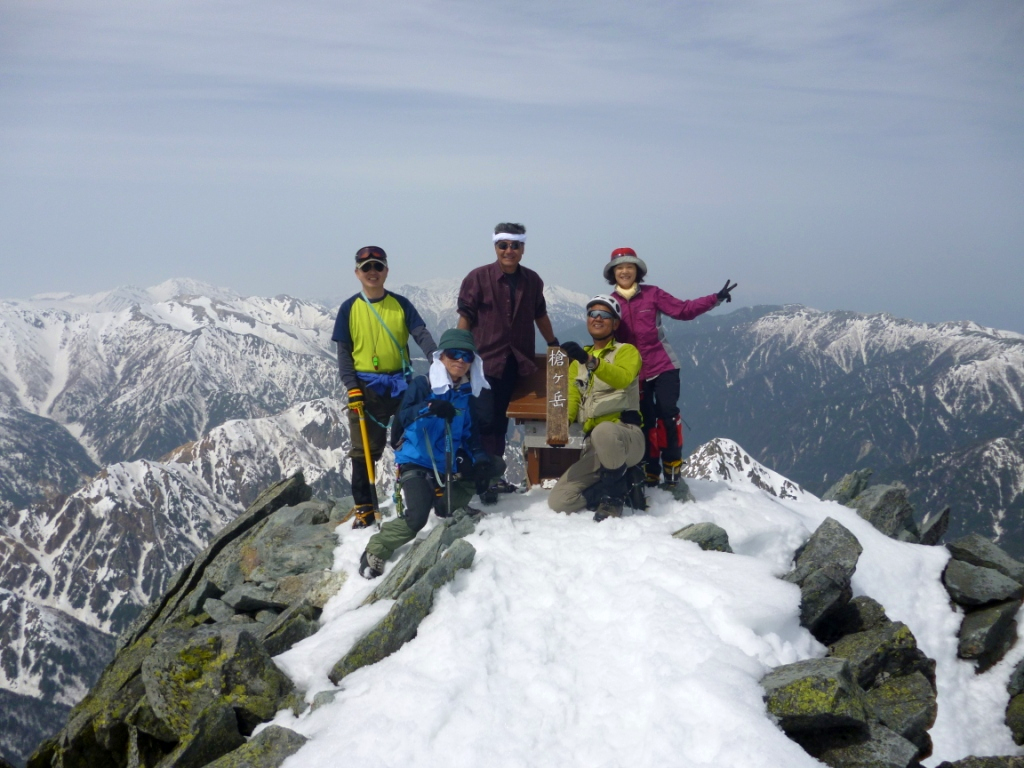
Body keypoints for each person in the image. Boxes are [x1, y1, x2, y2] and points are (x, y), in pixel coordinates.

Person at [359, 329, 504, 579]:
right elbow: (402, 419)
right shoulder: (423, 385)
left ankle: (447, 504)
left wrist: (478, 457)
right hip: (416, 462)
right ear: (441, 357)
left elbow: (470, 433)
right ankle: (377, 548)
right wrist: (429, 406)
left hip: (445, 462)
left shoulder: (466, 393)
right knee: (416, 519)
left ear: (472, 361)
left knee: (493, 467)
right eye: (453, 354)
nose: (459, 360)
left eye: (466, 356)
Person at [603, 247, 737, 487]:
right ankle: (650, 469)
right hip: (633, 373)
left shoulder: (653, 294)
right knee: (644, 420)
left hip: (663, 364)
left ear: (637, 270)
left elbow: (683, 310)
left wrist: (714, 299)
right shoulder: (609, 303)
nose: (625, 271)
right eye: (620, 268)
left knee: (668, 413)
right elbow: (602, 333)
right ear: (613, 273)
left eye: (629, 266)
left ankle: (672, 463)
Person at [332, 246, 437, 529]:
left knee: (414, 440)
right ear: (357, 273)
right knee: (364, 450)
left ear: (386, 271)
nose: (372, 272)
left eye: (377, 266)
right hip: (366, 389)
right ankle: (364, 508)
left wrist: (436, 361)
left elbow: (421, 335)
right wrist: (352, 387)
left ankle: (426, 493)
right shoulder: (349, 309)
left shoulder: (401, 305)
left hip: (401, 385)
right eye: (366, 268)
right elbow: (344, 354)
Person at [457, 222, 560, 502]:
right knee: (484, 421)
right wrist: (459, 351)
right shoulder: (477, 278)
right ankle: (482, 478)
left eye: (515, 245)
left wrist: (553, 344)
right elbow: (465, 317)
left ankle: (491, 476)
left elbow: (540, 315)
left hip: (516, 363)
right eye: (503, 245)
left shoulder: (532, 281)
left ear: (523, 249)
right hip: (483, 363)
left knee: (500, 423)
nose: (509, 250)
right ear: (495, 247)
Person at [548, 295, 646, 521]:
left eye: (605, 315)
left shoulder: (626, 352)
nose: (598, 318)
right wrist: (559, 426)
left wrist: (590, 360)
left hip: (626, 438)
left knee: (604, 430)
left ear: (615, 324)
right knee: (560, 501)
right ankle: (625, 484)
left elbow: (622, 378)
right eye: (593, 314)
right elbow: (572, 399)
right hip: (595, 446)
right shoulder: (576, 365)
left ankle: (613, 499)